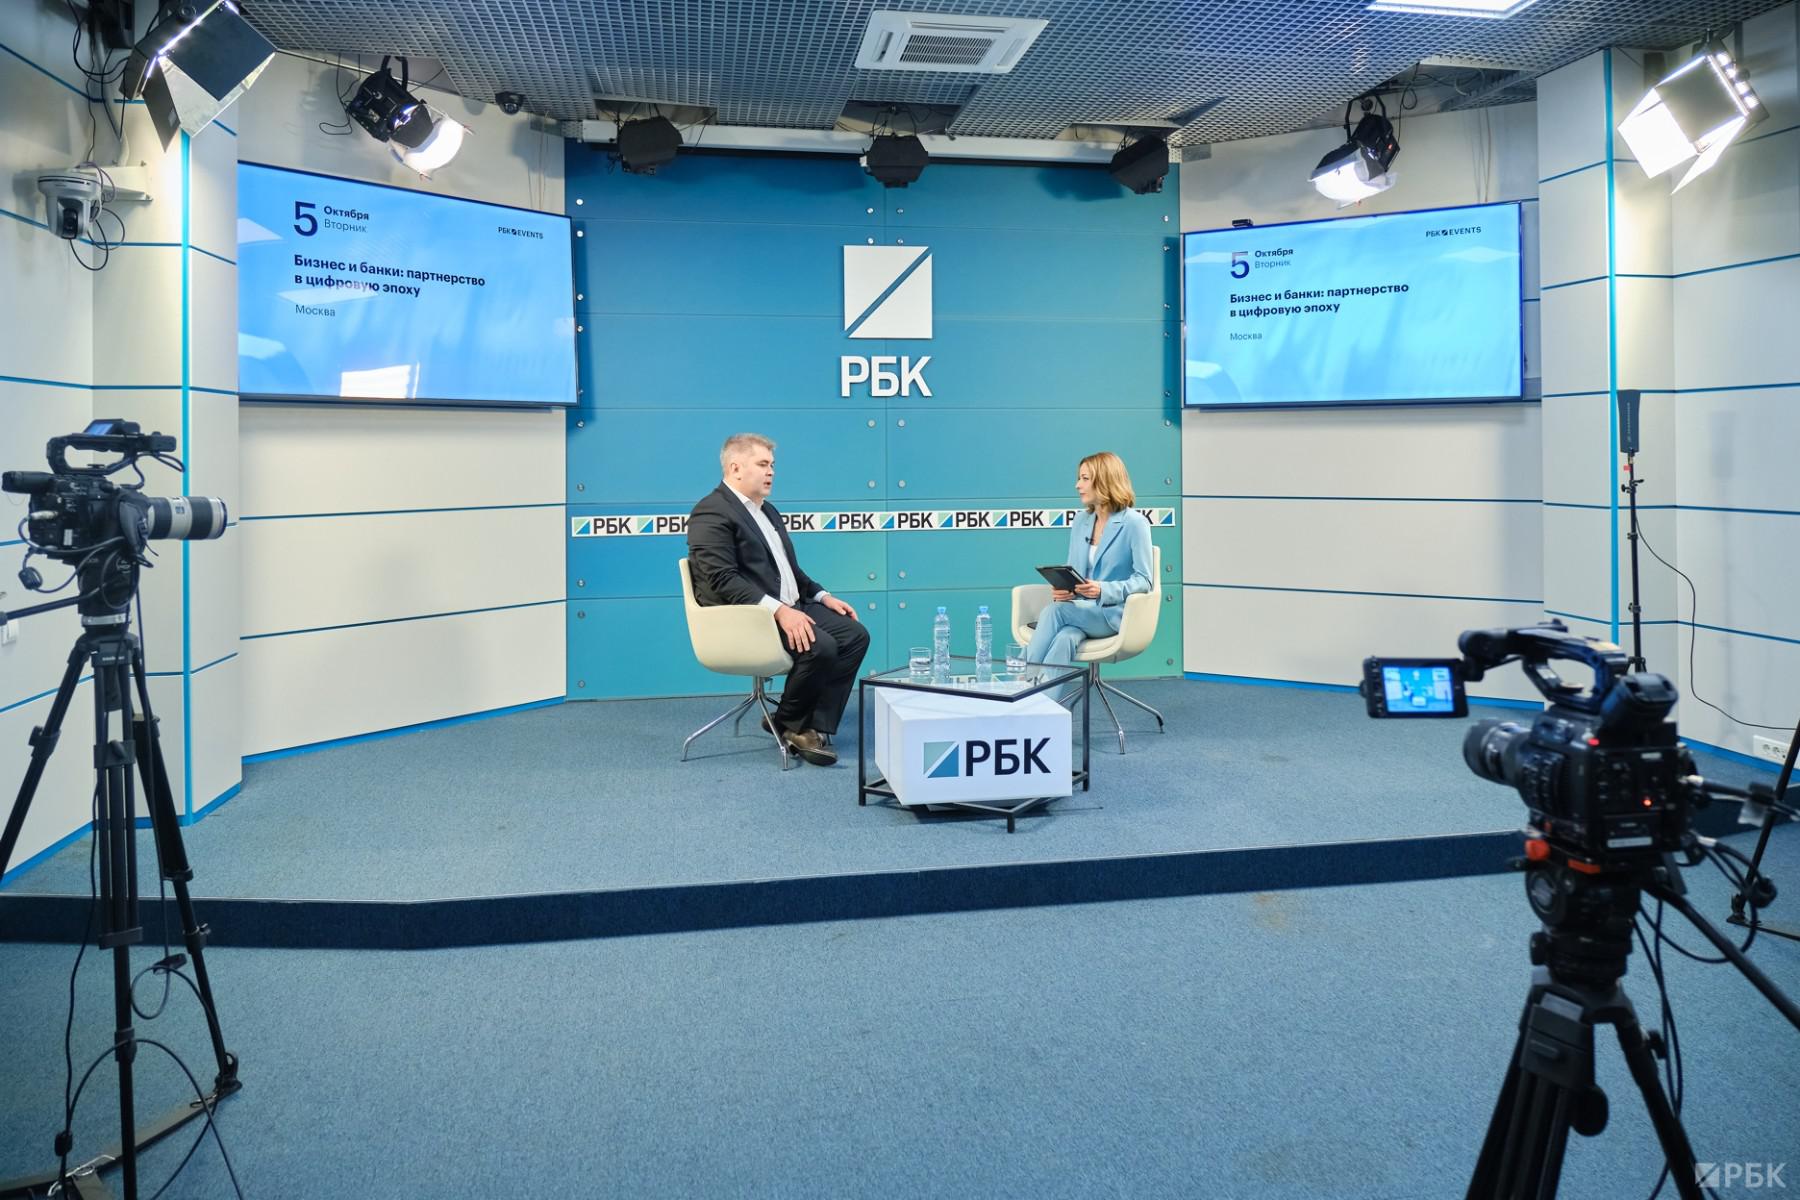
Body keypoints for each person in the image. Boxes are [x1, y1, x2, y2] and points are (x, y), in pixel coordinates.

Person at [686, 433, 869, 766]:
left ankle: (803, 723)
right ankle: (794, 725)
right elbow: (722, 579)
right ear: (735, 467)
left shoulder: (767, 511)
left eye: (772, 465)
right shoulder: (710, 512)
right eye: (762, 464)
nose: (771, 472)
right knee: (820, 645)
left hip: (787, 606)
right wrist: (781, 611)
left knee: (853, 635)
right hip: (746, 616)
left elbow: (790, 571)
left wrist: (822, 595)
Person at [1024, 451, 1153, 695]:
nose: (1077, 485)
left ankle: (1022, 680)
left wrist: (1102, 589)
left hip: (1111, 614)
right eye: (1079, 478)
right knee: (1065, 638)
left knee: (1054, 612)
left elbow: (1144, 580)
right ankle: (1044, 704)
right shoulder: (1081, 521)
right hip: (1081, 611)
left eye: (1084, 479)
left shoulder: (1134, 523)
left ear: (1104, 481)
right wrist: (1065, 589)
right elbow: (1074, 569)